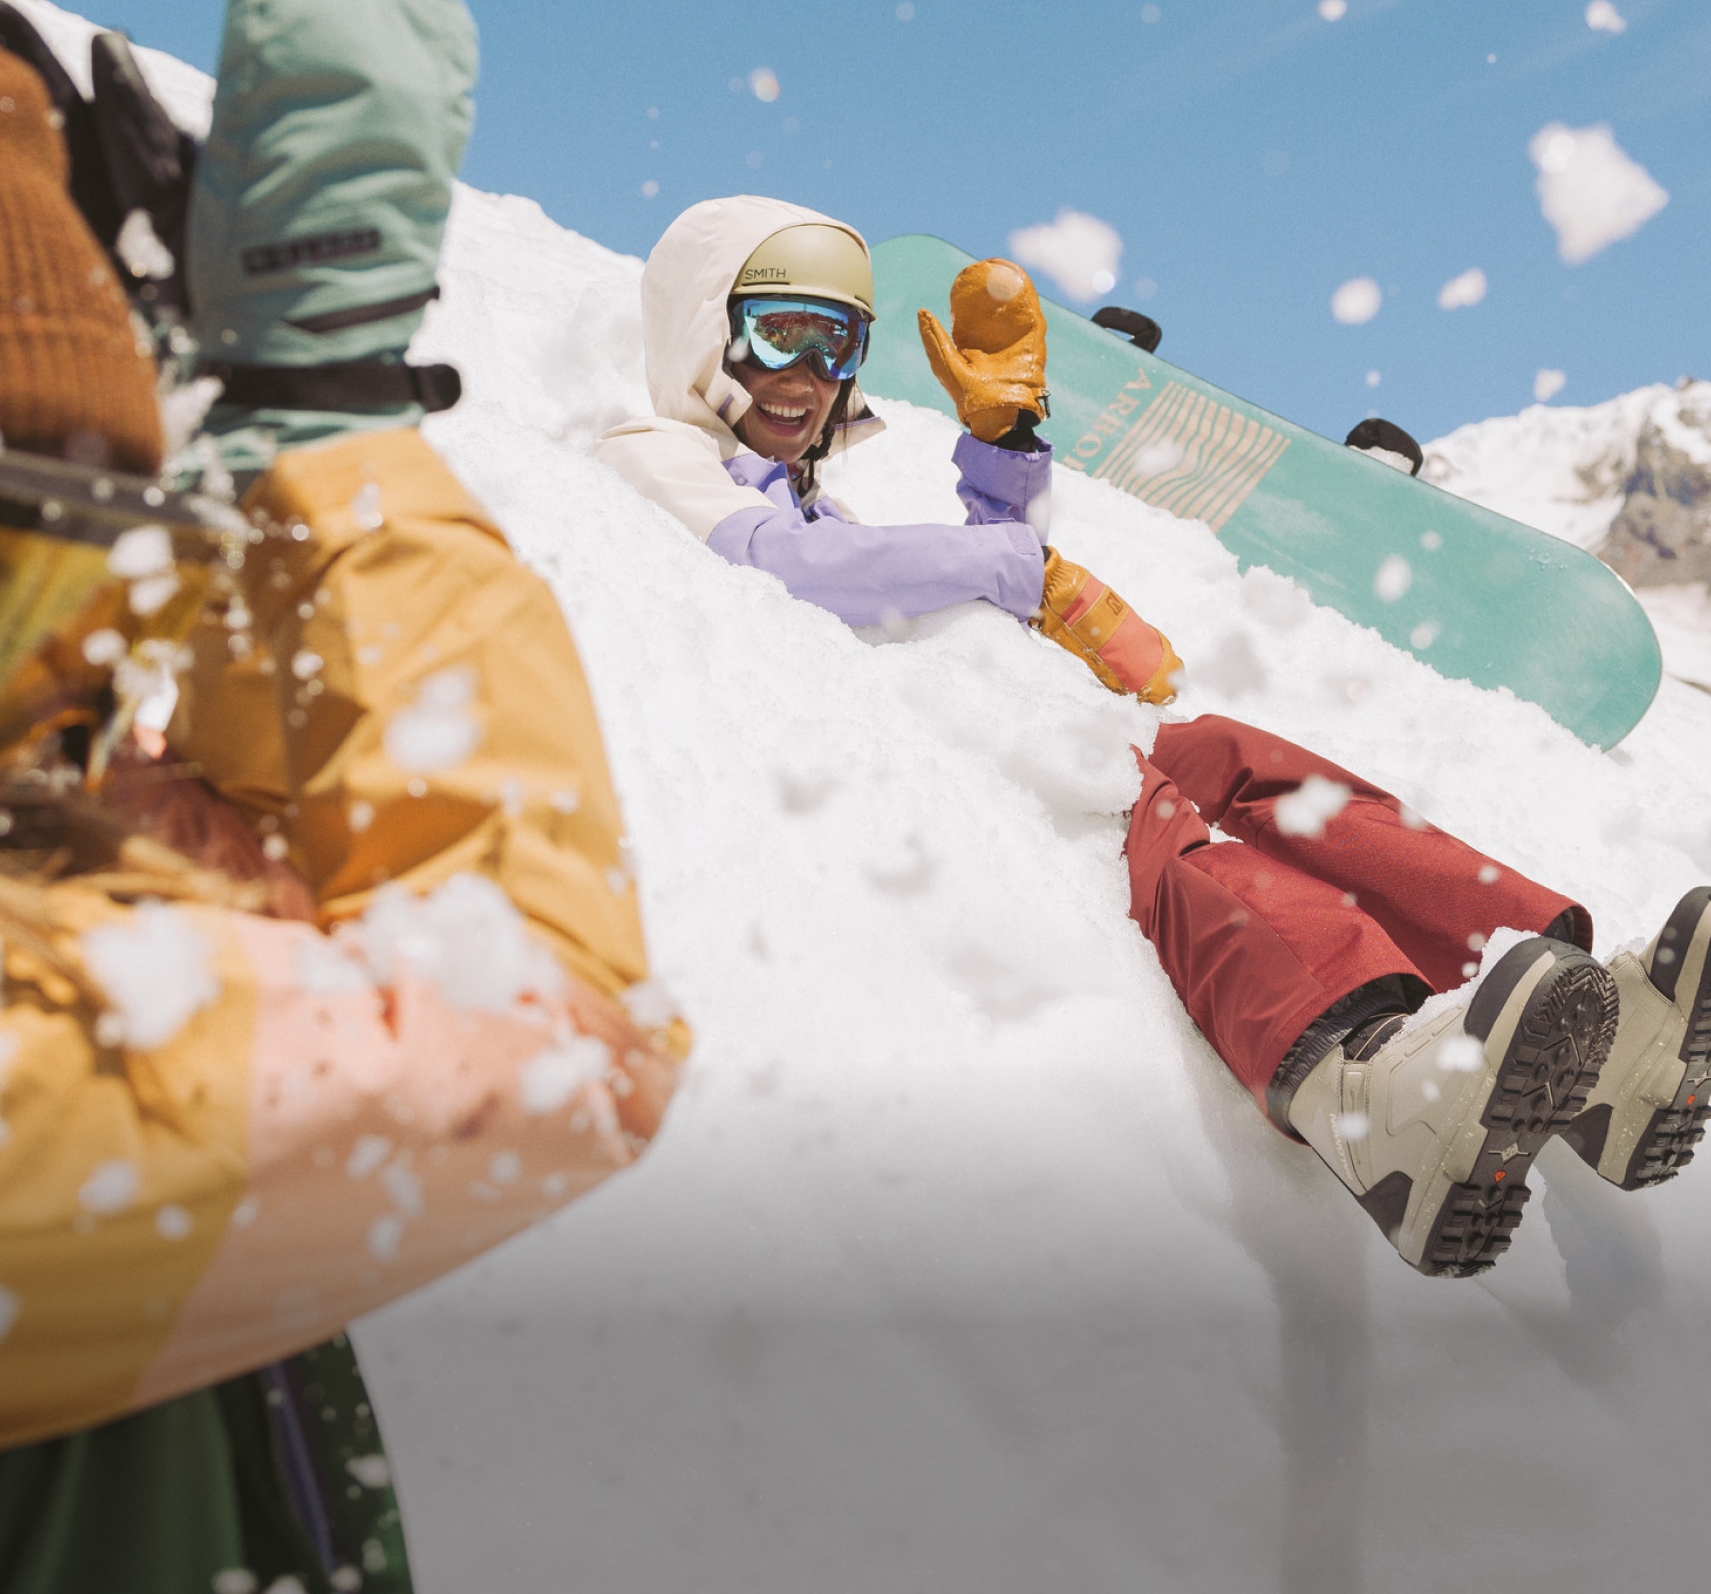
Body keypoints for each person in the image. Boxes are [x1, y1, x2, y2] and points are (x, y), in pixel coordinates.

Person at [0, 0, 676, 1591]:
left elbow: (251, 883)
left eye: (71, 607)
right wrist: (315, 405)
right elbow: (529, 1026)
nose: (37, 726)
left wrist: (211, 448)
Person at [596, 193, 1711, 1278]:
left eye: (837, 341)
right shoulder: (656, 451)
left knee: (1233, 753)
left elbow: (948, 593)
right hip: (974, 775)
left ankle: (1586, 1028)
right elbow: (777, 566)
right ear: (704, 331)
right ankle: (1358, 1090)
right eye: (778, 332)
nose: (808, 375)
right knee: (1171, 838)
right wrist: (1009, 567)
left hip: (1030, 729)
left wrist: (1006, 448)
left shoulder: (819, 503)